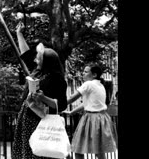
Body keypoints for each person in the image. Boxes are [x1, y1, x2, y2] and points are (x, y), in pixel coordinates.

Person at [13, 22, 68, 159]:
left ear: (47, 61)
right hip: (27, 117)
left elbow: (62, 104)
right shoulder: (38, 71)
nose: (36, 59)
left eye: (39, 57)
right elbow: (25, 54)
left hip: (42, 121)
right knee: (26, 152)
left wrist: (44, 99)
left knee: (39, 153)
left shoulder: (58, 79)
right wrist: (19, 34)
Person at [66, 65, 118, 159]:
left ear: (94, 74)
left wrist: (55, 103)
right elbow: (87, 104)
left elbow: (71, 98)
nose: (83, 73)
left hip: (91, 119)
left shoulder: (88, 84)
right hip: (102, 118)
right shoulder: (100, 85)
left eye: (86, 72)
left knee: (78, 149)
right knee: (100, 151)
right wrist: (72, 112)